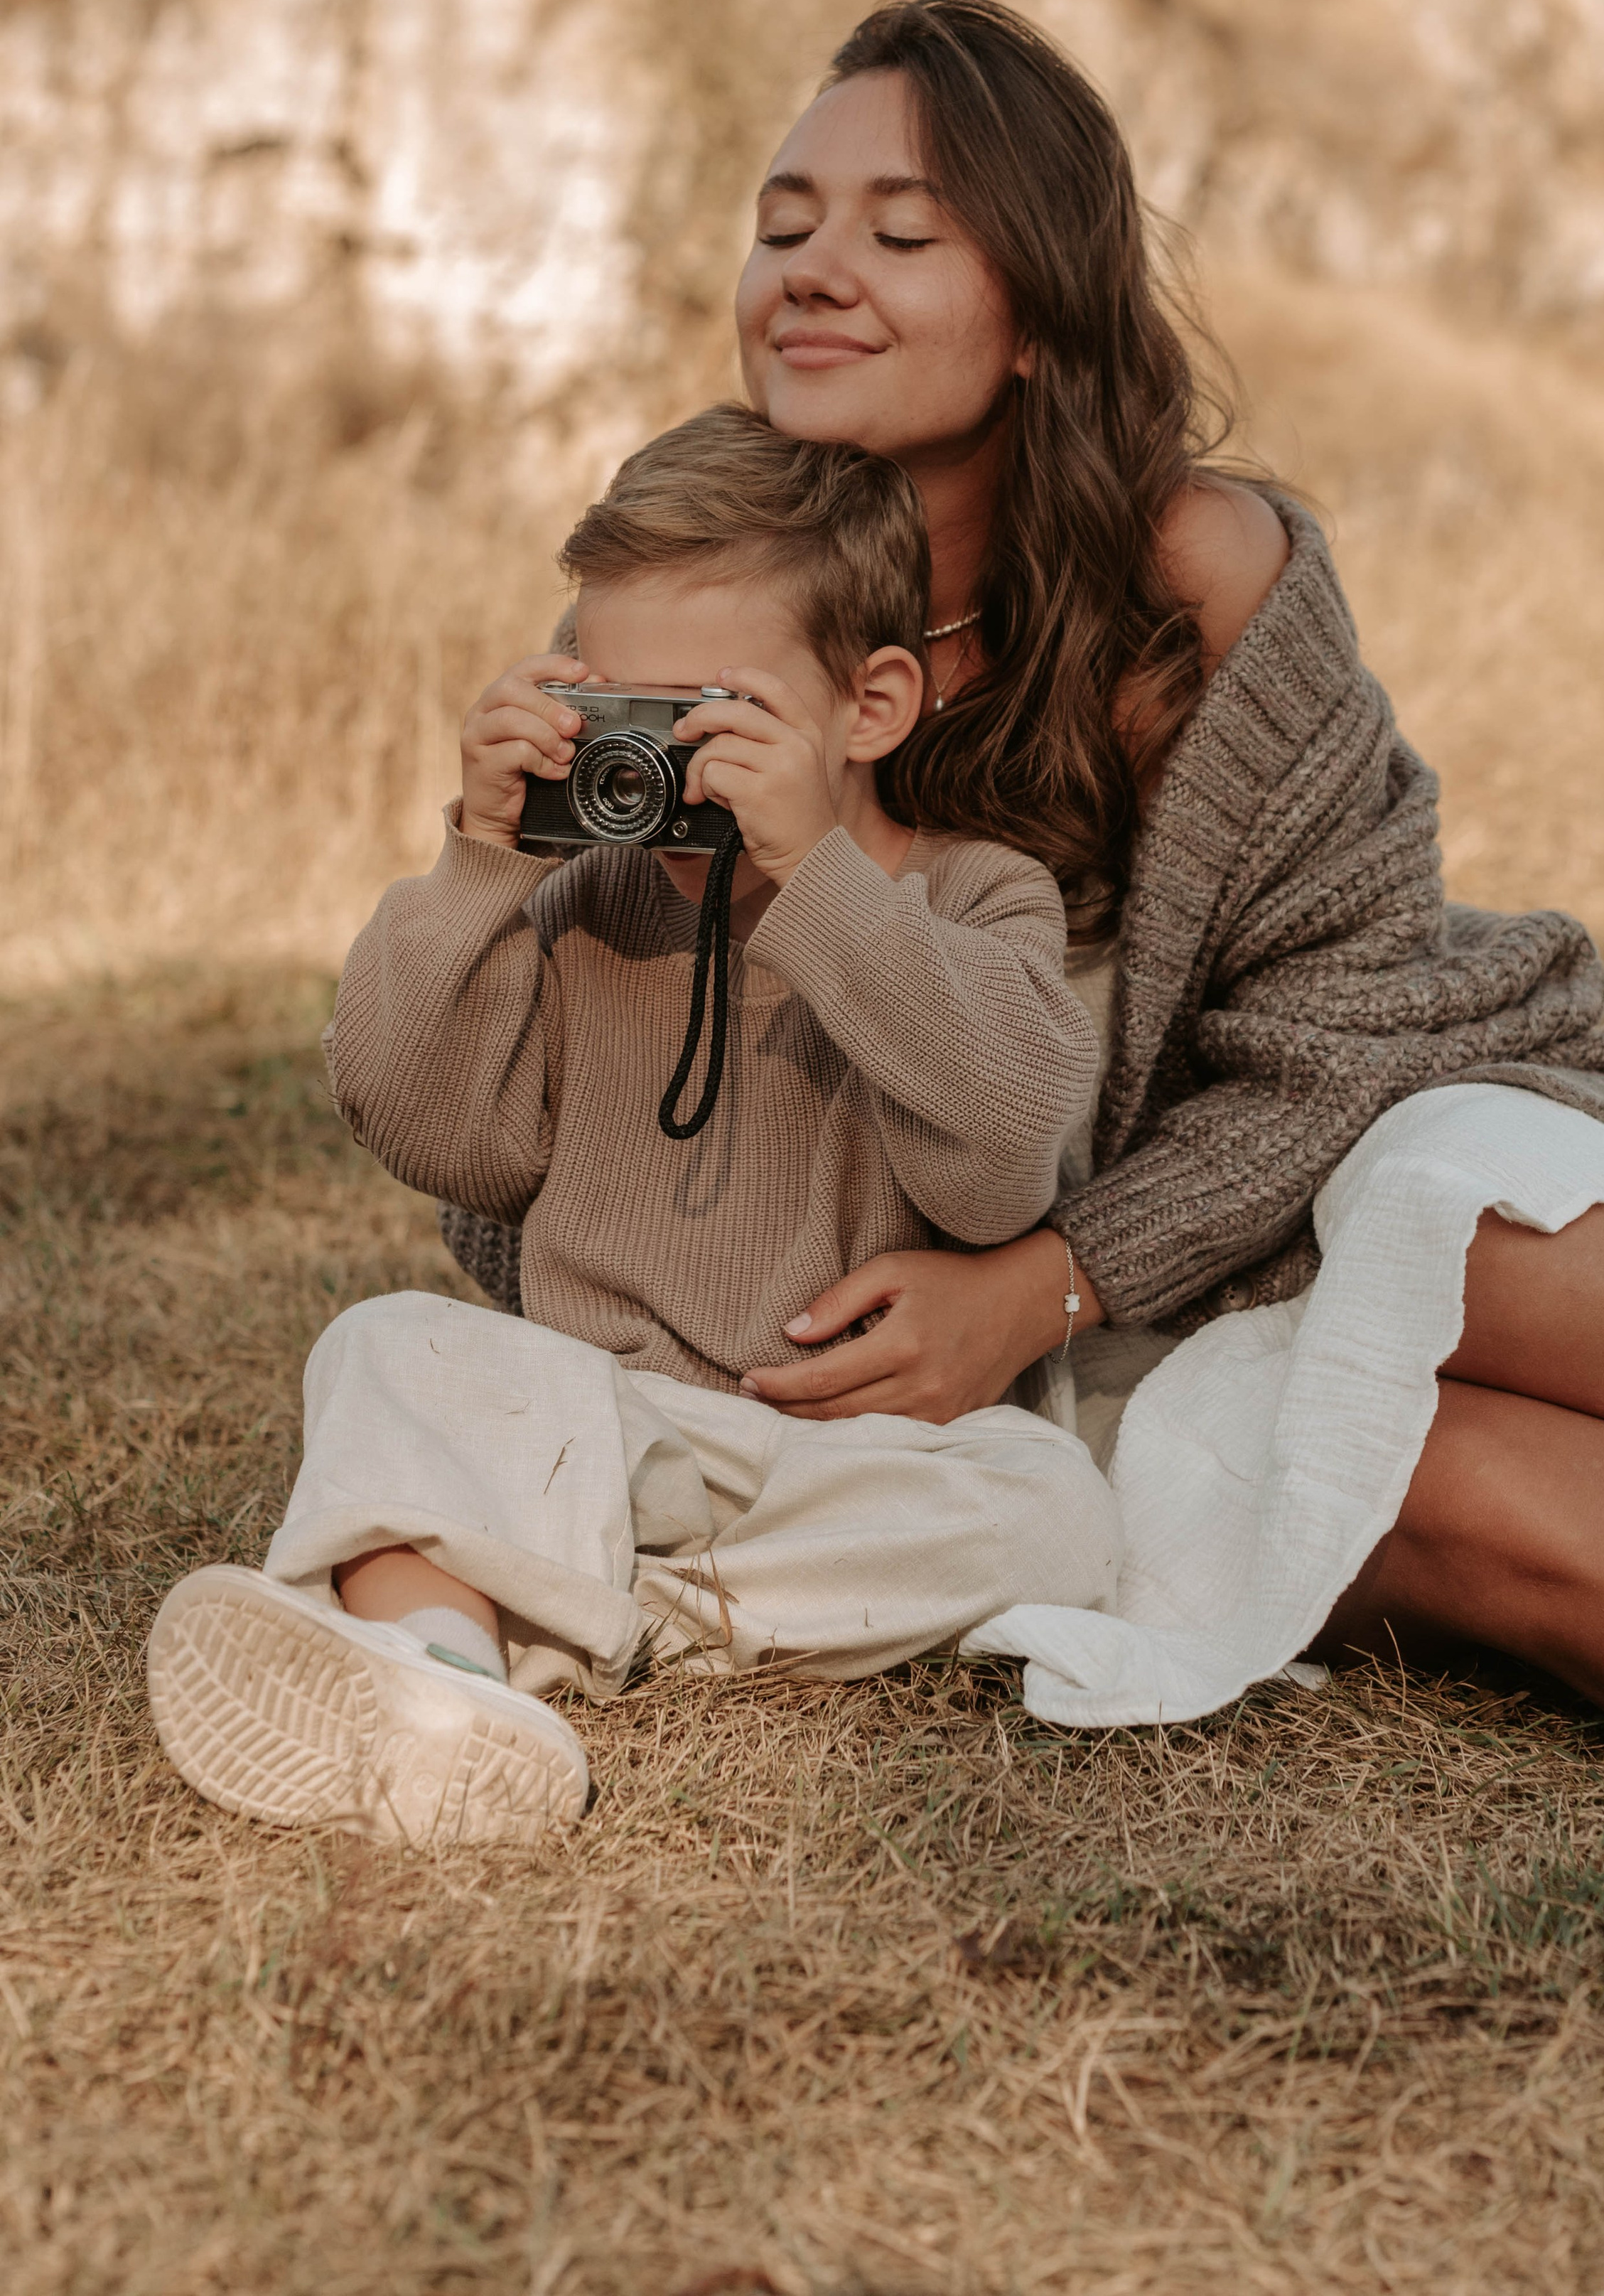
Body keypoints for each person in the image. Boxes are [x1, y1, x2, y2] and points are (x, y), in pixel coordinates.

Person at [431, 0, 1604, 1767]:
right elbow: (563, 1122)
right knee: (1454, 1491)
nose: (813, 267)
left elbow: (1350, 1023)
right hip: (1030, 1384)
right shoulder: (673, 611)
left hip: (1276, 1181)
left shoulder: (1195, 573)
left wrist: (1058, 1268)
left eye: (899, 231)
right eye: (781, 224)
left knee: (1484, 1231)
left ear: (1034, 310)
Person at [146, 407, 1119, 1843]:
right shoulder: (583, 901)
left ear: (873, 704)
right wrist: (478, 857)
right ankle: (450, 1667)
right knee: (382, 1343)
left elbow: (992, 1171)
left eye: (711, 713)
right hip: (604, 1418)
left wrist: (819, 886)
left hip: (853, 1452)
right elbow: (422, 1122)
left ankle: (500, 1622)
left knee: (1055, 1513)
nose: (659, 759)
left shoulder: (975, 897)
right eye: (621, 708)